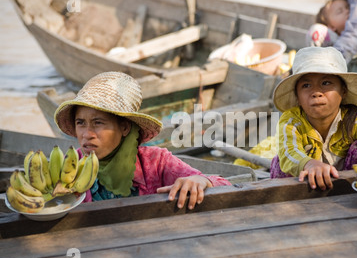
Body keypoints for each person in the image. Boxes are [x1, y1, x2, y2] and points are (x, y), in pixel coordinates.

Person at [54, 71, 231, 209]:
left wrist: (202, 181)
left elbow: (224, 184)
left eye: (98, 123)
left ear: (124, 127)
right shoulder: (70, 168)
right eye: (80, 123)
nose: (87, 134)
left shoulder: (156, 162)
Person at [270, 46, 357, 190]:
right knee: (280, 162)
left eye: (326, 83)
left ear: (343, 91)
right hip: (303, 185)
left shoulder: (354, 117)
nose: (316, 93)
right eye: (306, 85)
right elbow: (289, 152)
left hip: (344, 183)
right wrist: (309, 163)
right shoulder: (291, 121)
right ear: (297, 97)